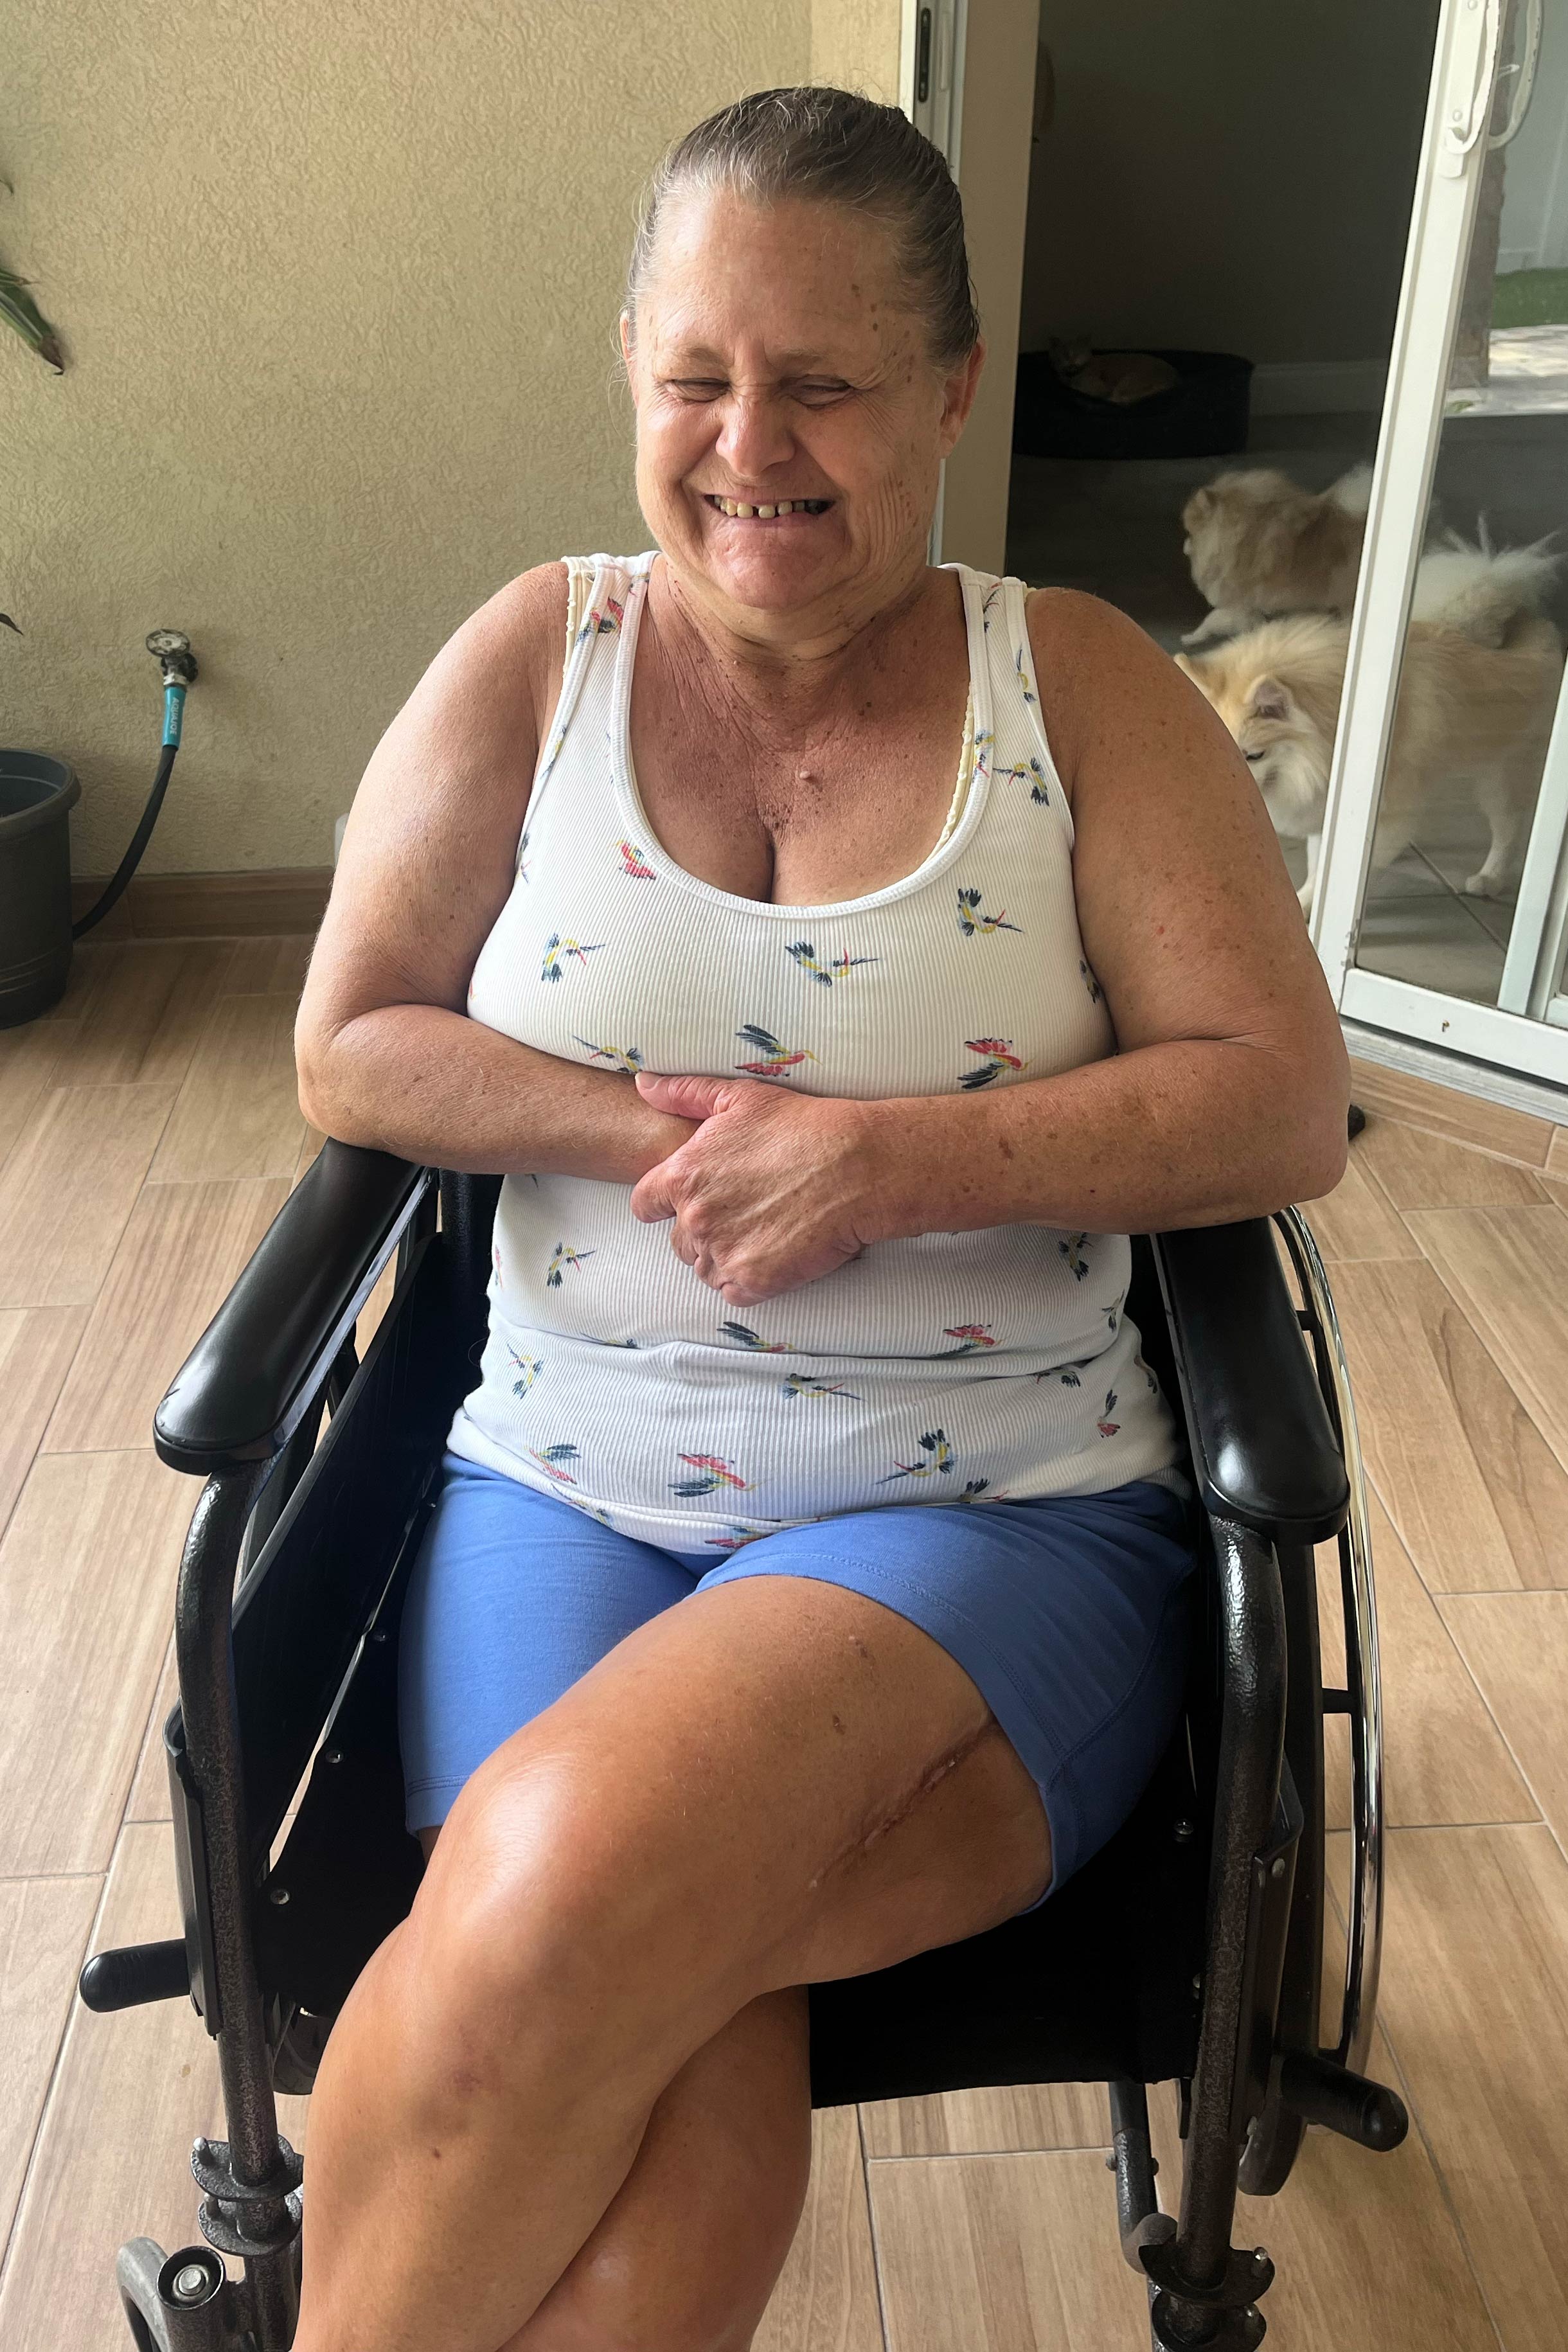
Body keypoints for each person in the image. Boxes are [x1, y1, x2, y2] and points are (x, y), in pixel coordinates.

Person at [291, 84, 1348, 2352]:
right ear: (633, 370)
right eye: (695, 375)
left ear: (954, 388)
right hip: (564, 1483)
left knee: (556, 1903)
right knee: (646, 2029)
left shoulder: (1083, 689)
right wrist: (623, 1125)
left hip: (985, 1515)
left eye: (826, 381)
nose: (746, 442)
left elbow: (1282, 1097)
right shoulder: (536, 656)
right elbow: (353, 1037)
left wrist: (891, 1157)